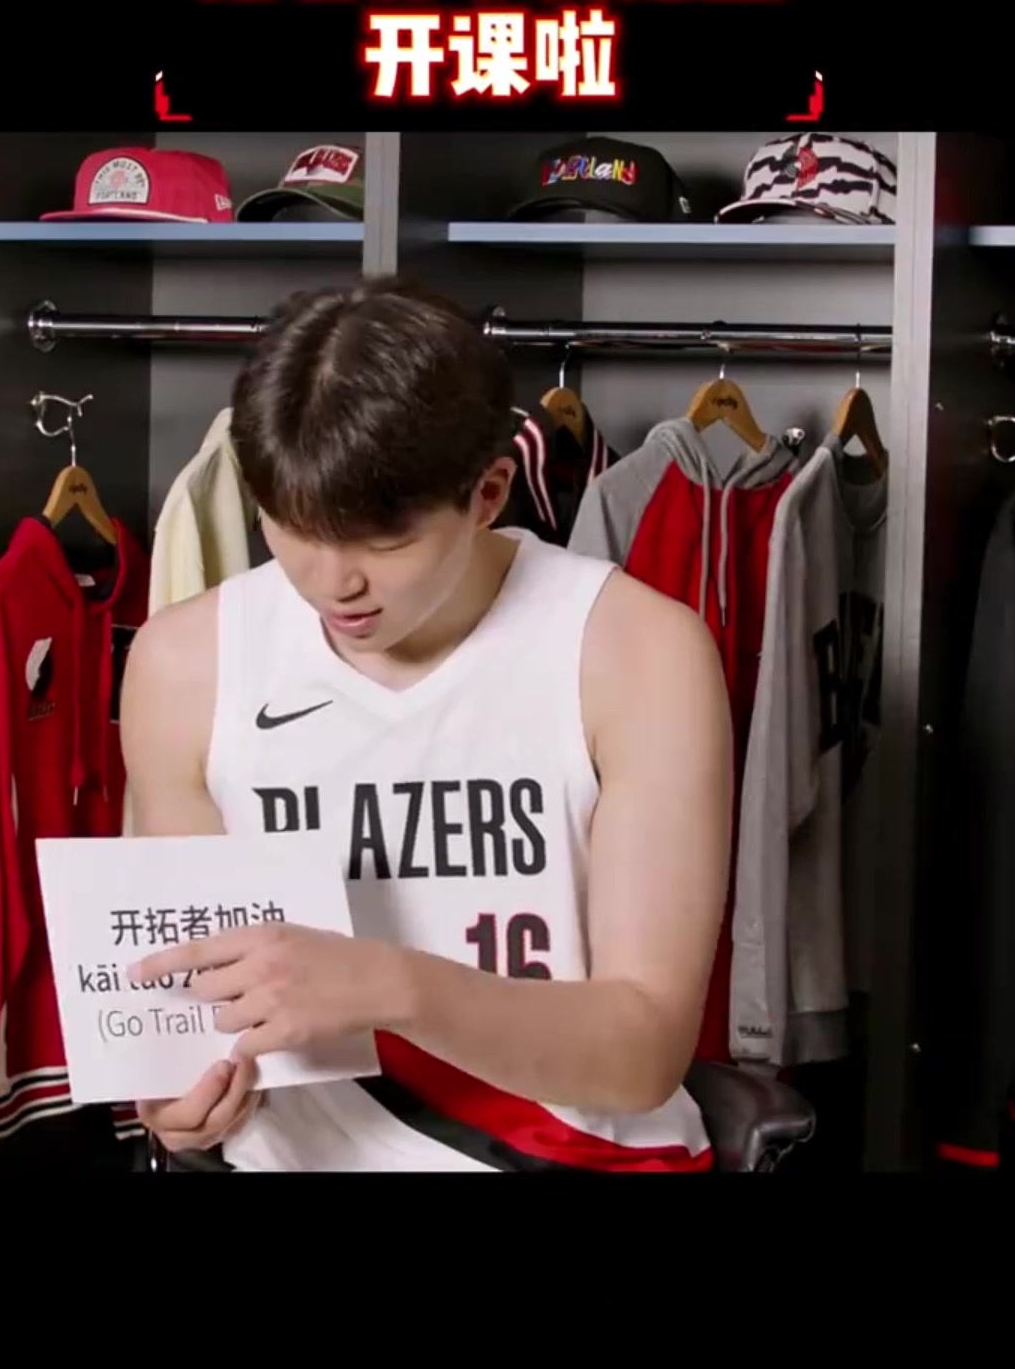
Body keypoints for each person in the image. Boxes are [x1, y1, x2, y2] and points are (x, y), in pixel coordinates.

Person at [120, 278, 733, 1172]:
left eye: (385, 541)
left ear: (488, 493)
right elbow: (187, 1025)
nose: (334, 582)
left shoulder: (635, 650)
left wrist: (387, 983)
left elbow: (643, 1050)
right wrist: (184, 1107)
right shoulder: (185, 664)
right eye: (292, 528)